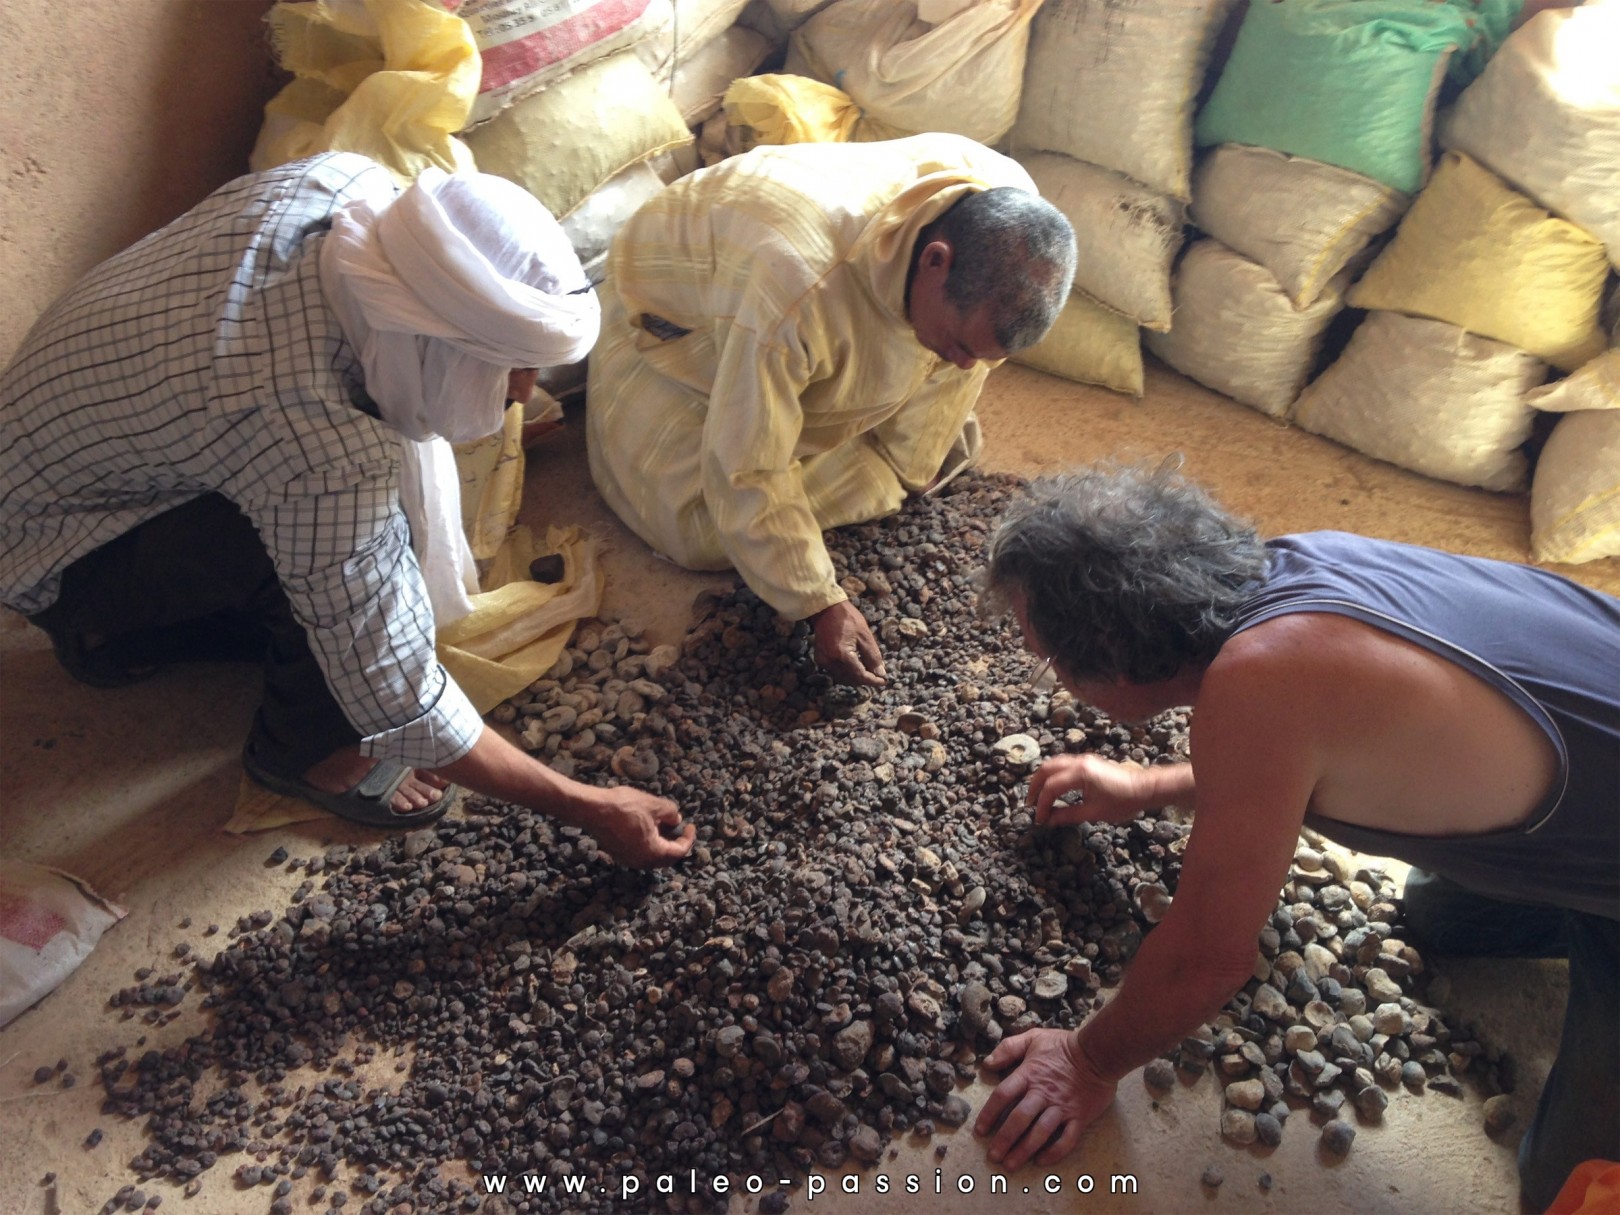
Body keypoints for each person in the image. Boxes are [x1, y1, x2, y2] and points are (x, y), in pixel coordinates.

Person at [0, 153, 693, 867]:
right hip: (60, 552)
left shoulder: (349, 190)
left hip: (72, 470)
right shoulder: (310, 438)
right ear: (431, 340)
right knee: (347, 582)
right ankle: (295, 749)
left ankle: (150, 636)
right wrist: (587, 804)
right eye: (509, 368)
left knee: (348, 544)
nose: (521, 393)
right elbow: (393, 687)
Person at [971, 464, 1618, 1211]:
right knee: (1442, 914)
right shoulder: (1290, 572)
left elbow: (1207, 959)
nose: (1054, 679)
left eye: (1052, 660)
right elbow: (1290, 757)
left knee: (1570, 1187)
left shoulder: (1261, 684)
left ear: (1112, 659)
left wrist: (1085, 1062)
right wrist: (1150, 786)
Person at [586, 133, 1077, 687]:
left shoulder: (1008, 206)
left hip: (784, 305)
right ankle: (847, 478)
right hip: (681, 326)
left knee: (928, 425)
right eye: (964, 344)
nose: (967, 367)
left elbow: (952, 370)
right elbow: (748, 466)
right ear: (936, 261)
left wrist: (915, 457)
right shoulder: (796, 286)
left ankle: (875, 466)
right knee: (697, 529)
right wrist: (819, 601)